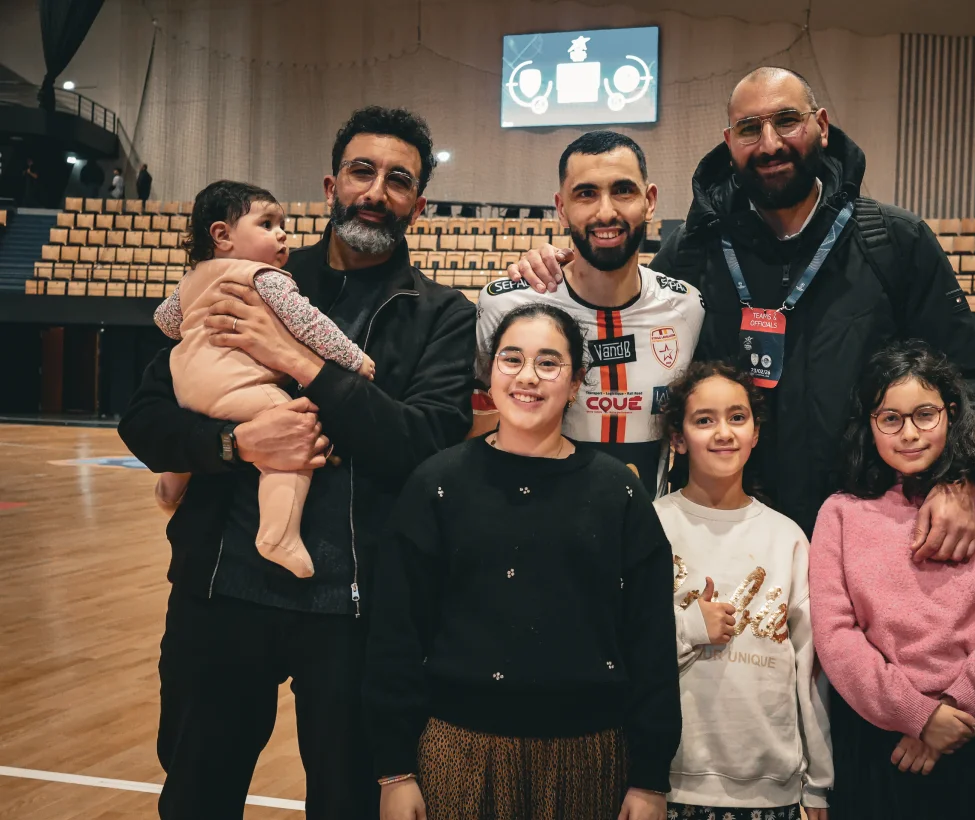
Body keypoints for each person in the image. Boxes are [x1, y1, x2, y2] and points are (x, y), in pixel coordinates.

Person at [117, 105, 476, 820]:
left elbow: (425, 448)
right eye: (361, 172)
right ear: (330, 185)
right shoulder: (243, 274)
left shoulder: (440, 313)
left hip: (356, 608)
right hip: (220, 592)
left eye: (398, 180)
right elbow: (147, 419)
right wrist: (232, 446)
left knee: (345, 803)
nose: (376, 190)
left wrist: (297, 363)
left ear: (419, 204)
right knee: (194, 795)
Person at [507, 67, 975, 563]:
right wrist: (548, 272)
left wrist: (961, 478)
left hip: (873, 533)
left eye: (787, 121)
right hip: (729, 541)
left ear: (822, 126)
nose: (769, 144)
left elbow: (971, 381)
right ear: (729, 142)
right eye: (749, 129)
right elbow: (616, 314)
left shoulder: (895, 242)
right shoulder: (693, 251)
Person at [364, 303, 680, 820]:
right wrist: (395, 770)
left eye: (549, 363)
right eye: (511, 359)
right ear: (490, 373)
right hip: (458, 750)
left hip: (590, 756)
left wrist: (650, 778)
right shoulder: (436, 484)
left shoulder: (618, 492)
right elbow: (395, 637)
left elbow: (650, 645)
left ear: (577, 381)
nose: (527, 377)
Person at [810, 341, 975, 820]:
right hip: (876, 740)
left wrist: (949, 713)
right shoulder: (839, 513)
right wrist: (917, 717)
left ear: (952, 412)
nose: (909, 434)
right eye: (890, 419)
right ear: (870, 424)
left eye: (925, 414)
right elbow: (836, 638)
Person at [149, 180, 378, 578]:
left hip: (184, 386)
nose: (282, 233)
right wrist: (354, 358)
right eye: (268, 224)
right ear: (221, 235)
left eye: (282, 224)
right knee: (295, 433)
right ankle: (278, 534)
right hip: (236, 386)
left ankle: (169, 489)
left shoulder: (192, 279)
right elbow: (311, 325)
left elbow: (166, 323)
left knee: (198, 424)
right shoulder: (267, 277)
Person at [475, 131, 704, 496]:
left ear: (650, 201)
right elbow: (479, 422)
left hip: (643, 534)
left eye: (623, 190)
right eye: (586, 194)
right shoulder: (505, 306)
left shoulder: (687, 307)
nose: (606, 212)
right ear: (561, 207)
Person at [655, 361, 832, 820]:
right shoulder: (650, 525)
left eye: (737, 417)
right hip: (668, 782)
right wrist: (691, 626)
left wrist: (817, 786)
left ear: (755, 433)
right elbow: (619, 646)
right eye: (703, 420)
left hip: (771, 790)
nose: (723, 432)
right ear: (678, 437)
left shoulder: (787, 536)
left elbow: (809, 671)